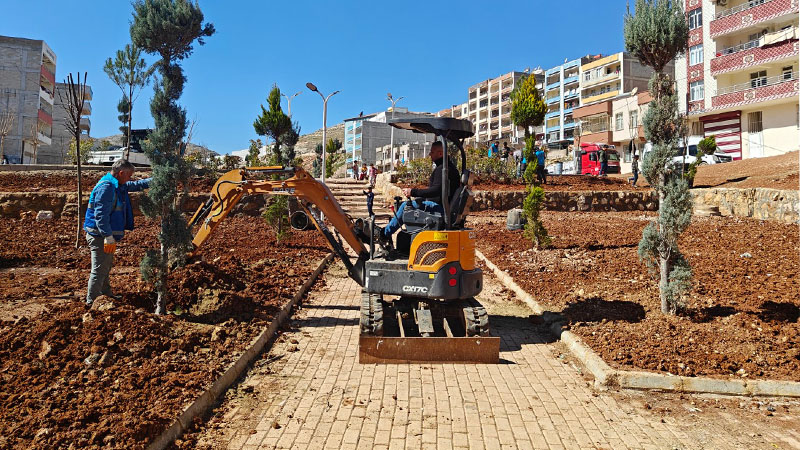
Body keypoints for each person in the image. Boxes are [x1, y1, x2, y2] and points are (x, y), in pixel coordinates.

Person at [83, 159, 150, 306]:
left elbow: (134, 185)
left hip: (105, 235)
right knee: (99, 269)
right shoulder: (106, 188)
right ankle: (91, 302)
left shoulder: (116, 184)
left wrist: (154, 181)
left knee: (105, 267)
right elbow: (100, 215)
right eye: (129, 176)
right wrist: (108, 236)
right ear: (121, 173)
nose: (129, 179)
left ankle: (106, 295)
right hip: (100, 236)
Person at [377, 141, 458, 244]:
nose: (429, 154)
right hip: (443, 207)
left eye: (432, 152)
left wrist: (413, 192)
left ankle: (384, 234)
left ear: (440, 154)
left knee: (406, 206)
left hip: (439, 208)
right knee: (409, 205)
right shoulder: (448, 168)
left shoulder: (443, 169)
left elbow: (436, 190)